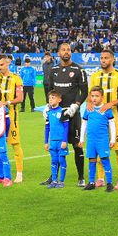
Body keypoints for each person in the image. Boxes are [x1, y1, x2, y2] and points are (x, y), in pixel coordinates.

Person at [89, 50, 118, 190]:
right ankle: (100, 178)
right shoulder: (95, 76)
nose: (103, 60)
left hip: (115, 120)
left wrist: (111, 103)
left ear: (112, 59)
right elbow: (90, 96)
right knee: (100, 150)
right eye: (101, 58)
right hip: (98, 123)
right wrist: (89, 102)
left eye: (106, 58)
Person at [47, 43, 87, 187]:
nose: (66, 52)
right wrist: (48, 106)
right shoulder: (53, 70)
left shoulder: (78, 70)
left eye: (68, 50)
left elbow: (85, 91)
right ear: (58, 53)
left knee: (77, 145)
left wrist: (75, 105)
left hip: (72, 114)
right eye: (63, 50)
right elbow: (50, 90)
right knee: (56, 145)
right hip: (57, 114)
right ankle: (53, 177)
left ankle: (81, 177)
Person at [0, 53, 26, 182]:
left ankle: (19, 173)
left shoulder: (16, 79)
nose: (0, 67)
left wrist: (6, 103)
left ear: (8, 63)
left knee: (15, 144)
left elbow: (20, 98)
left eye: (2, 65)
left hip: (12, 117)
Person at [81, 87, 116, 191]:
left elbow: (112, 124)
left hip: (102, 140)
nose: (94, 98)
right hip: (91, 140)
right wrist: (81, 138)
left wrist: (112, 139)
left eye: (97, 96)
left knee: (105, 160)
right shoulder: (88, 109)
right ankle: (91, 182)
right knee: (91, 159)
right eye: (92, 96)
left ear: (102, 97)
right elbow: (84, 123)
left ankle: (109, 183)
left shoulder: (106, 110)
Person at [43, 90, 70, 188]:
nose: (50, 100)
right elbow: (47, 128)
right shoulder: (48, 113)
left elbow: (66, 127)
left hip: (61, 141)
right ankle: (54, 181)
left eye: (53, 98)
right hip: (53, 141)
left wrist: (64, 141)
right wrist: (46, 142)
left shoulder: (63, 112)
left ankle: (61, 181)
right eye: (49, 98)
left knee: (61, 160)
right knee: (53, 161)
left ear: (59, 99)